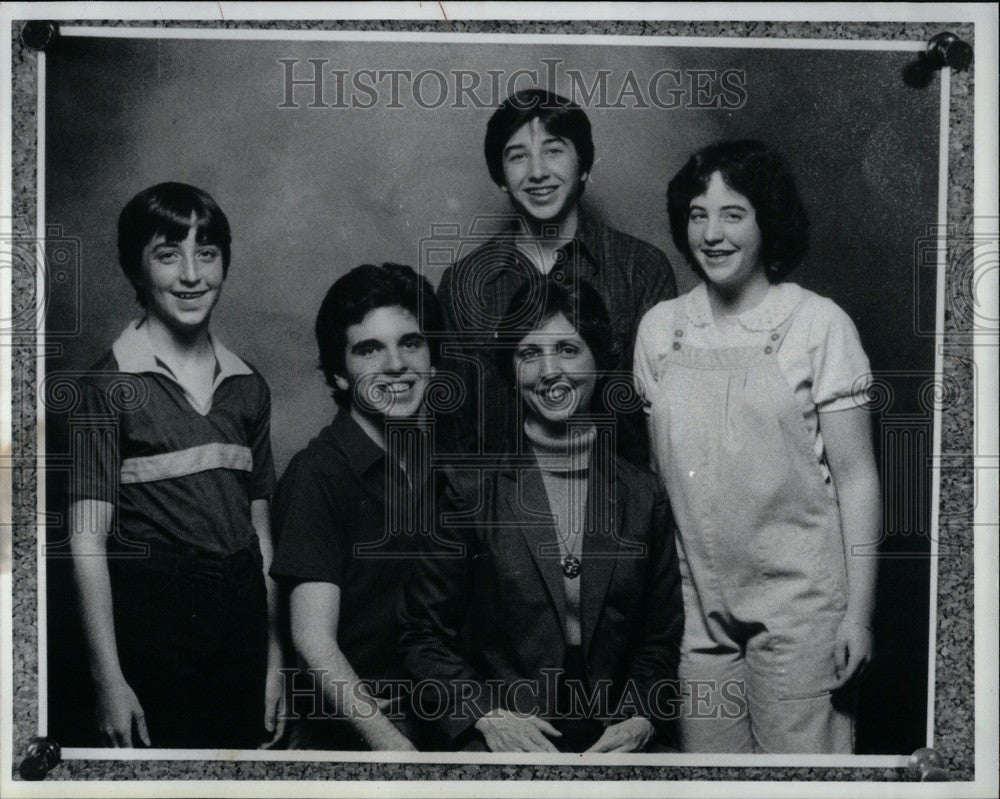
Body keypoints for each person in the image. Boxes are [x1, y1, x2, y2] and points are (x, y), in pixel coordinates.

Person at [634, 140, 880, 753]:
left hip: (801, 606)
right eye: (697, 215)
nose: (711, 234)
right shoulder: (660, 330)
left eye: (732, 214)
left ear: (766, 221)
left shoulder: (819, 325)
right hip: (694, 610)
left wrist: (858, 615)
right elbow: (659, 486)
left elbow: (857, 480)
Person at [401, 276, 684, 753]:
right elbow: (422, 636)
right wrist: (486, 717)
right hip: (505, 730)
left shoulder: (642, 493)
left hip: (615, 734)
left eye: (568, 350)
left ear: (599, 359)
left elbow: (658, 639)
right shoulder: (468, 488)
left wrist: (641, 719)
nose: (549, 371)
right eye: (529, 353)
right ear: (511, 370)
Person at [69, 182, 283, 748]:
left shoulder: (247, 386)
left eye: (206, 253)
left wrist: (272, 661)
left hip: (238, 616)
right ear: (136, 271)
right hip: (152, 619)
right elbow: (86, 541)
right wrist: (106, 677)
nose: (191, 274)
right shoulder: (106, 385)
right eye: (168, 254)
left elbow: (262, 538)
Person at [435, 88, 676, 466]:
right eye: (518, 157)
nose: (537, 172)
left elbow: (665, 416)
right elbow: (453, 427)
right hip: (506, 512)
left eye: (554, 150)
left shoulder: (640, 269)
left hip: (618, 508)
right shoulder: (465, 283)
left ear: (582, 165)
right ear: (500, 177)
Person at [269, 263, 445, 751]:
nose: (395, 365)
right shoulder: (318, 474)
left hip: (436, 719)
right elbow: (314, 642)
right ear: (339, 375)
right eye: (369, 350)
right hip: (357, 733)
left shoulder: (441, 464)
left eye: (410, 343)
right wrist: (396, 751)